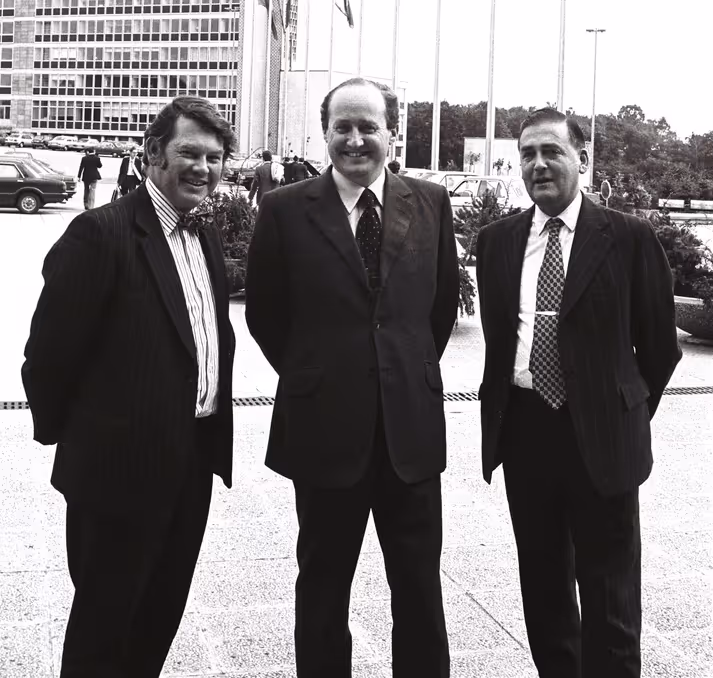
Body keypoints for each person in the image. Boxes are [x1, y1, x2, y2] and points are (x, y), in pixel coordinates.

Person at [246, 77, 460, 678]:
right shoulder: (286, 209)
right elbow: (266, 313)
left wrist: (401, 372)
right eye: (343, 126)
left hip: (409, 436)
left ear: (392, 132)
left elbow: (438, 308)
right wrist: (318, 375)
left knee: (419, 588)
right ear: (325, 133)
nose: (356, 138)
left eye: (369, 125)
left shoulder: (431, 203)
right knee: (322, 586)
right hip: (322, 431)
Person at [22, 97, 237, 678]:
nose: (203, 168)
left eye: (214, 157)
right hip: (117, 472)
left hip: (191, 464)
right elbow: (47, 358)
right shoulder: (100, 235)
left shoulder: (205, 235)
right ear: (151, 155)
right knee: (103, 630)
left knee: (158, 619)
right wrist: (87, 441)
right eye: (188, 153)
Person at [475, 107, 681, 678]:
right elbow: (497, 340)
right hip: (525, 431)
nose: (538, 164)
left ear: (582, 160)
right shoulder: (496, 243)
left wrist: (621, 411)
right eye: (527, 155)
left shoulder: (629, 238)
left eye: (552, 152)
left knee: (610, 598)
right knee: (543, 590)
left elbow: (660, 349)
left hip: (603, 439)